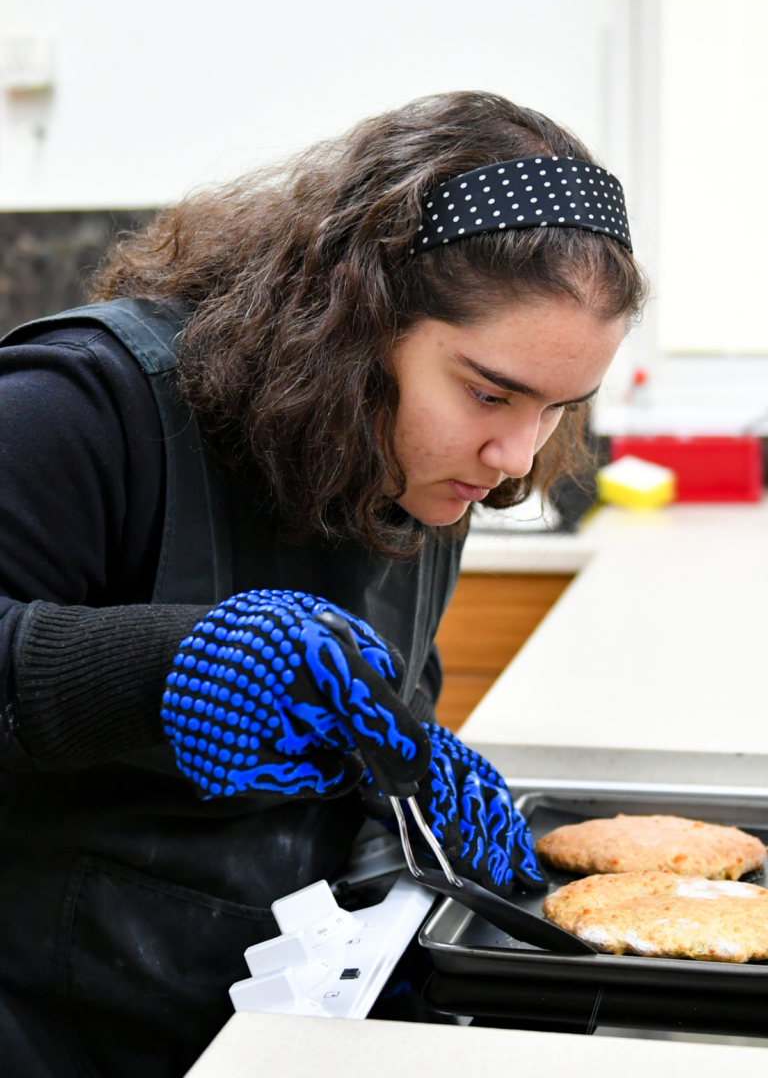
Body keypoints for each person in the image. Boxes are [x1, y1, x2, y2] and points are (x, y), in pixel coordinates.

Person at [0, 91, 645, 1076]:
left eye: (560, 407)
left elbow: (339, 737)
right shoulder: (79, 409)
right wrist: (152, 674)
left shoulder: (423, 464)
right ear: (357, 319)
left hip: (255, 1027)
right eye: (488, 392)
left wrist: (405, 805)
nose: (519, 458)